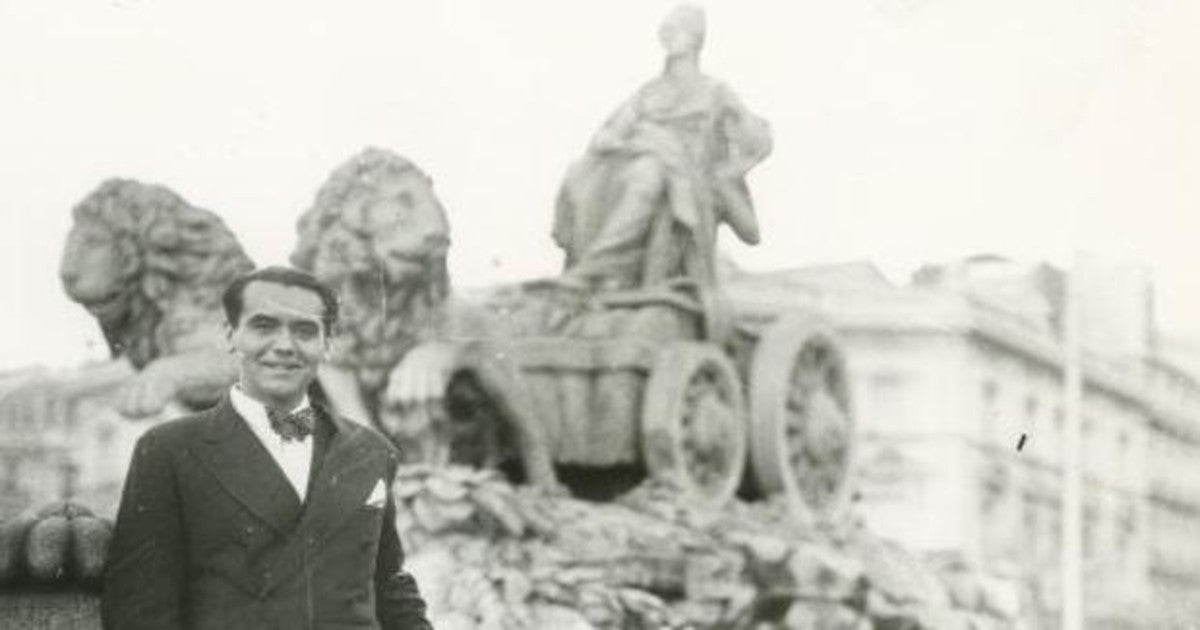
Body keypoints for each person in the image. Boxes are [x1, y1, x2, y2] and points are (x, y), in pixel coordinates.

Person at [101, 266, 433, 630]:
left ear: (327, 344)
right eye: (264, 326)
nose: (285, 346)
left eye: (305, 330)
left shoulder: (371, 450)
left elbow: (388, 584)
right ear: (230, 335)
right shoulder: (168, 451)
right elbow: (140, 609)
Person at [553, 4, 772, 292]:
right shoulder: (648, 93)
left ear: (695, 38)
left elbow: (758, 142)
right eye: (665, 31)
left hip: (688, 172)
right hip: (644, 158)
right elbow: (606, 136)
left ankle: (596, 266)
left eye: (676, 30)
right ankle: (607, 272)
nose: (667, 36)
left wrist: (727, 171)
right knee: (583, 172)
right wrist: (640, 142)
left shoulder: (715, 91)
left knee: (648, 174)